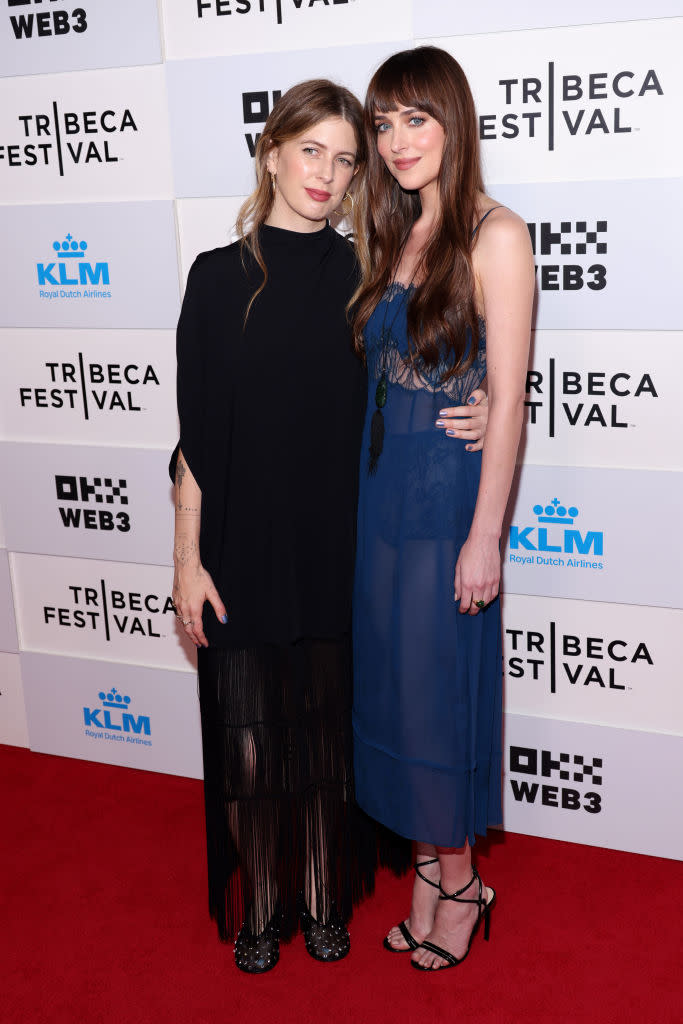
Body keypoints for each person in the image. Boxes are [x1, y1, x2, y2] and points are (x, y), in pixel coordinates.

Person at [170, 78, 490, 974]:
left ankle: (319, 896)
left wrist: (491, 396)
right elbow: (194, 438)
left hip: (340, 550)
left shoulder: (366, 271)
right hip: (240, 547)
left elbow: (431, 352)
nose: (328, 173)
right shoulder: (213, 277)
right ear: (271, 151)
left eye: (347, 160)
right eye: (311, 150)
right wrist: (186, 559)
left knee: (322, 742)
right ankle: (262, 903)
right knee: (248, 741)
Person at [351, 46, 534, 973]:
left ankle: (461, 888)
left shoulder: (495, 234)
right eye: (381, 125)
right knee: (391, 693)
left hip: (444, 507)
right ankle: (429, 874)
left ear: (453, 122)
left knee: (433, 702)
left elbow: (508, 398)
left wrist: (484, 536)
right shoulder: (396, 232)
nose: (394, 142)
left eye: (413, 119)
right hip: (377, 500)